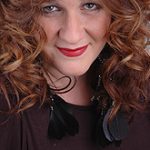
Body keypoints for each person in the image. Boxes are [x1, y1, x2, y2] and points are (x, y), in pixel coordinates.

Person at [0, 0, 150, 150]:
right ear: (21, 15)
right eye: (50, 8)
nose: (72, 36)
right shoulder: (6, 108)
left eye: (90, 5)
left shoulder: (144, 86)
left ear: (119, 11)